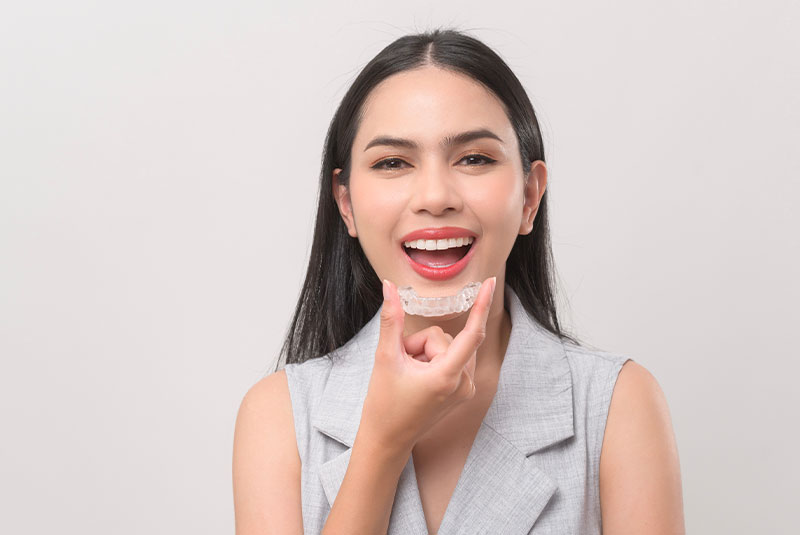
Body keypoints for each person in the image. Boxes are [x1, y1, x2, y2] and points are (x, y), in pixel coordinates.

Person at [233, 28, 685, 534]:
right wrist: (381, 443)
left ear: (530, 197)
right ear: (346, 205)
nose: (434, 195)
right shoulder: (279, 415)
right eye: (392, 162)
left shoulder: (616, 405)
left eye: (474, 158)